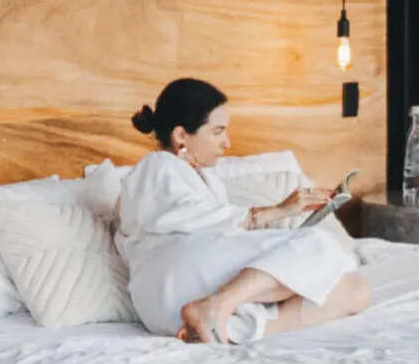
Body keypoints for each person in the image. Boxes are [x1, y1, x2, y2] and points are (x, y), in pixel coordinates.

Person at [116, 79, 372, 345]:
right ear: (181, 135)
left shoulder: (207, 178)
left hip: (186, 301)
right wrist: (275, 211)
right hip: (170, 280)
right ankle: (218, 305)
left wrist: (282, 222)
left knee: (354, 290)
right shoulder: (156, 166)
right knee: (318, 244)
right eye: (217, 132)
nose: (226, 143)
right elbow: (195, 218)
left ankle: (216, 326)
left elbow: (221, 232)